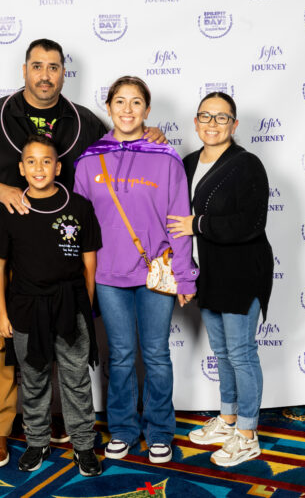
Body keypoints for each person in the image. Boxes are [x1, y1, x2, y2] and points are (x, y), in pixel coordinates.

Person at [0, 38, 166, 467]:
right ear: (24, 70)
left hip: (63, 248)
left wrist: (150, 135)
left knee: (63, 337)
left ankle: (56, 420)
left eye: (53, 67)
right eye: (37, 66)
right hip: (1, 241)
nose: (45, 75)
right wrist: (2, 190)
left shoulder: (83, 121)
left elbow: (121, 145)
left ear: (64, 73)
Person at [74, 76, 198, 464]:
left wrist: (185, 275)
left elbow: (179, 221)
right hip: (108, 276)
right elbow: (78, 225)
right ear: (108, 107)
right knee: (122, 356)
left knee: (157, 354)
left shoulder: (167, 158)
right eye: (120, 102)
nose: (127, 110)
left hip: (154, 272)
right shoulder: (88, 160)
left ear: (147, 109)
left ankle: (159, 431)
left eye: (136, 103)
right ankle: (124, 430)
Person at [167, 92, 273, 467]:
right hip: (208, 272)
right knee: (223, 352)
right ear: (196, 122)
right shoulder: (188, 162)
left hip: (242, 271)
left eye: (222, 117)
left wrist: (197, 224)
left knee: (241, 353)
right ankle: (228, 420)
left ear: (234, 124)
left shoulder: (247, 164)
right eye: (206, 116)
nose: (212, 124)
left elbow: (251, 223)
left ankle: (247, 434)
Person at [0, 134, 102, 475]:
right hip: (26, 307)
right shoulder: (10, 209)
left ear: (58, 167)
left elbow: (89, 261)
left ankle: (83, 444)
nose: (39, 168)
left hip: (70, 305)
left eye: (47, 161)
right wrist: (0, 312)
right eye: (32, 161)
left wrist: (85, 306)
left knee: (76, 378)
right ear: (22, 169)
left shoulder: (79, 206)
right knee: (34, 378)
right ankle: (37, 441)